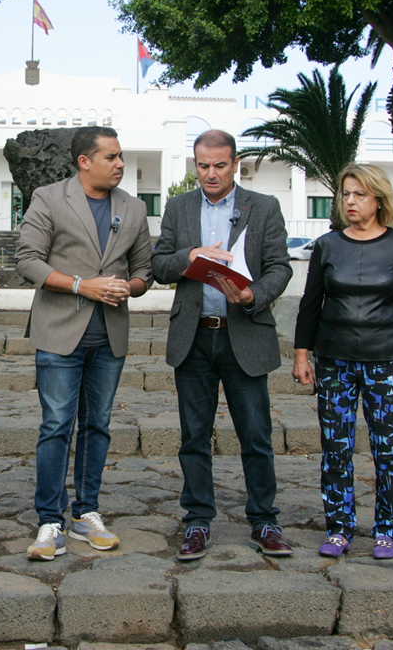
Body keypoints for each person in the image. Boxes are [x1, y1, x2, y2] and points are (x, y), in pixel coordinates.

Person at [152, 130, 294, 561]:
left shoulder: (264, 207)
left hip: (244, 333)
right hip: (194, 336)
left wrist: (255, 294)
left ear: (235, 164)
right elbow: (159, 265)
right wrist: (189, 257)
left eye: (219, 165)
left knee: (256, 434)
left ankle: (264, 519)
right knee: (194, 435)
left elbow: (280, 268)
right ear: (194, 165)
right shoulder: (178, 207)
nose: (210, 173)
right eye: (202, 165)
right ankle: (197, 520)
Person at [15, 126, 153, 561]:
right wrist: (81, 285)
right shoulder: (50, 197)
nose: (120, 164)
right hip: (58, 334)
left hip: (109, 336)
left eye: (120, 156)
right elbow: (27, 260)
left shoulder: (133, 208)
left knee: (98, 425)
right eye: (111, 157)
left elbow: (145, 271)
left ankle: (87, 512)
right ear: (84, 161)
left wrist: (127, 288)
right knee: (56, 425)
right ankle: (49, 520)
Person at [292, 164, 393, 560]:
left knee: (389, 450)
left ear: (379, 200)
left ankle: (387, 529)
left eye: (360, 195)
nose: (351, 201)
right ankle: (339, 527)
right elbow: (310, 304)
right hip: (334, 362)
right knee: (336, 447)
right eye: (346, 194)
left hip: (386, 362)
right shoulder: (328, 245)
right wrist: (303, 353)